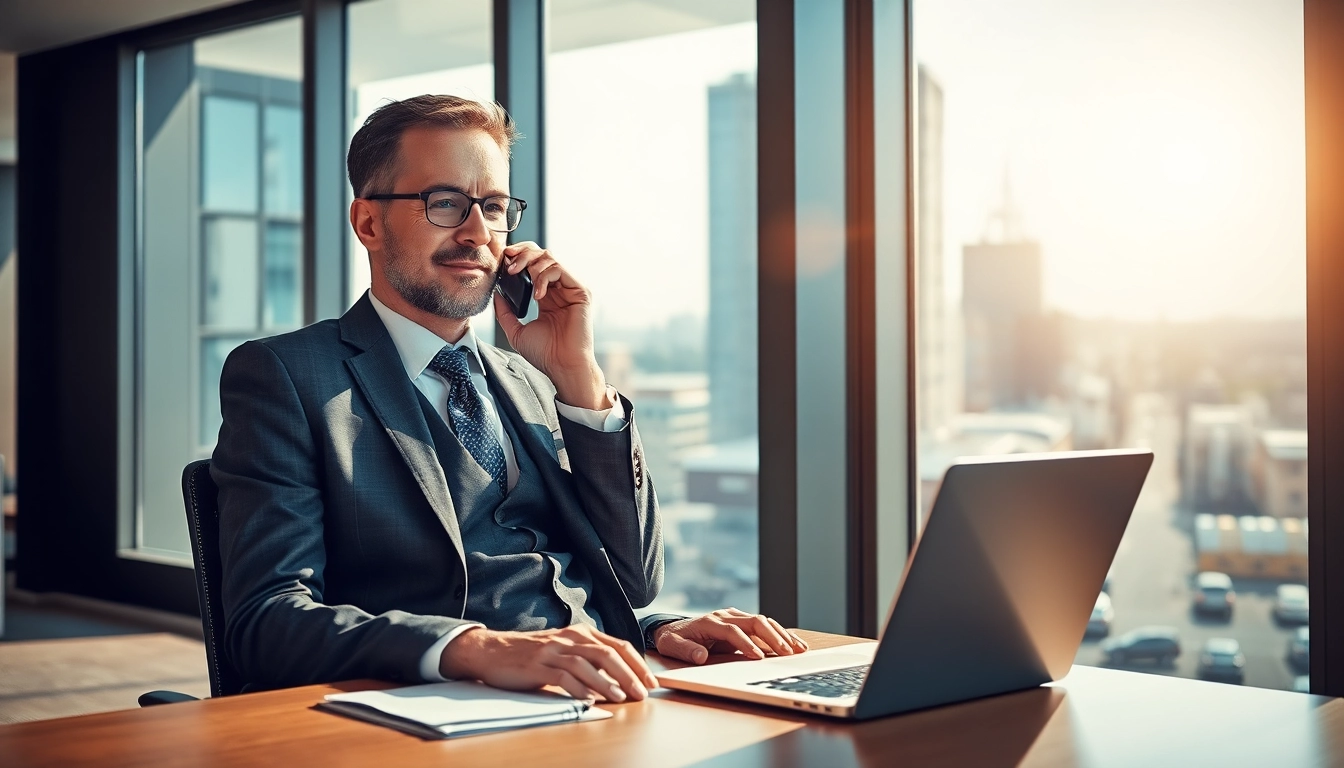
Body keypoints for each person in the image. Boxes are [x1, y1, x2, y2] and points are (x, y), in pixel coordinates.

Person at [213, 94, 807, 702]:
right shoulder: (285, 375)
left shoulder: (524, 380)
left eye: (493, 207)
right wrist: (474, 648)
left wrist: (579, 377)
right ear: (368, 223)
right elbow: (266, 622)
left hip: (597, 694)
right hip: (435, 718)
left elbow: (633, 577)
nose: (477, 233)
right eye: (444, 203)